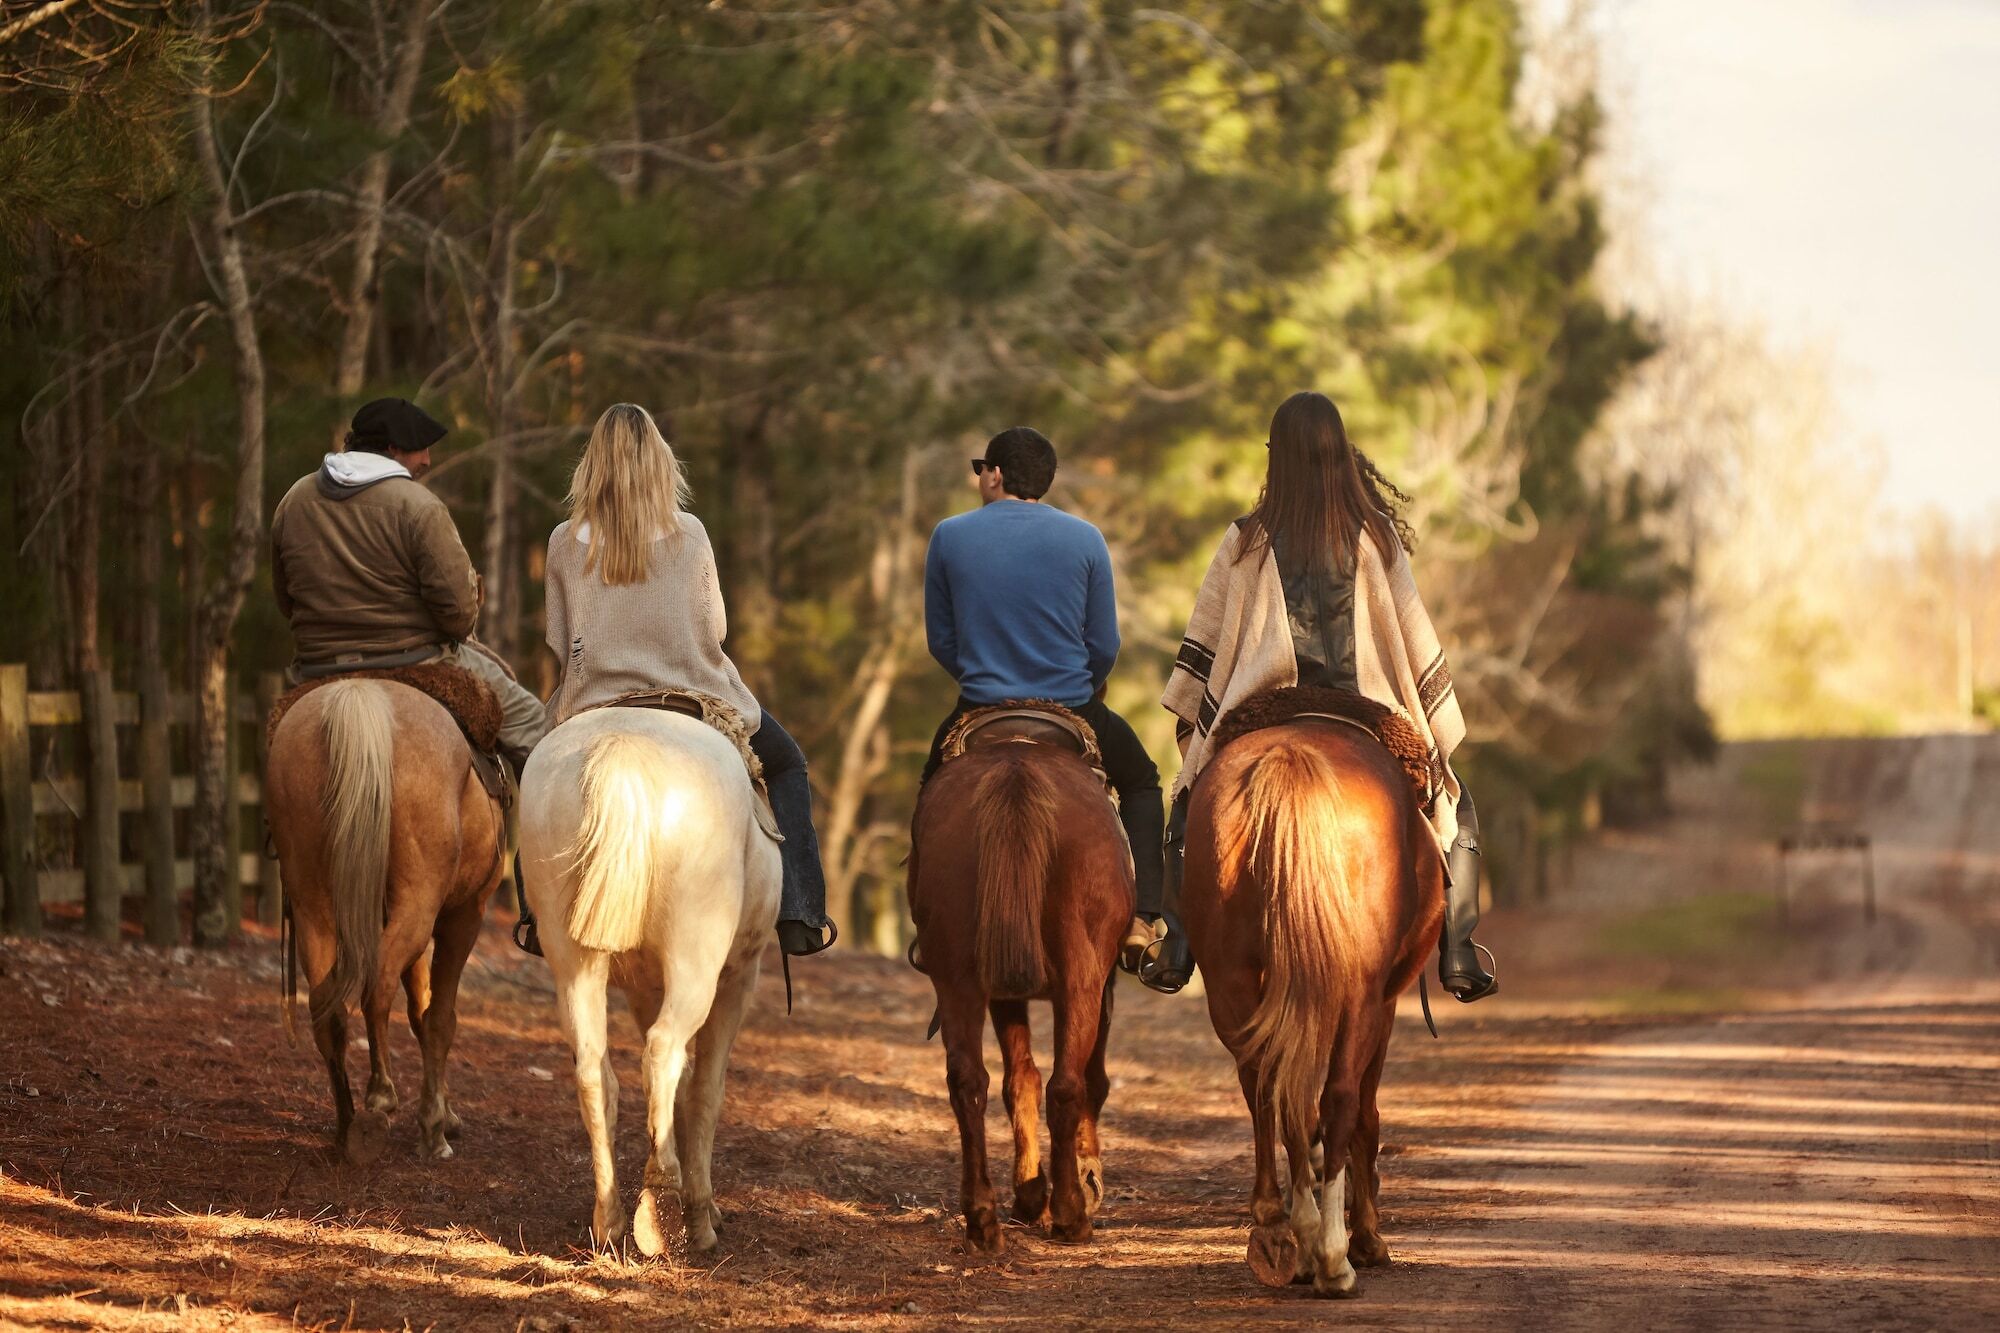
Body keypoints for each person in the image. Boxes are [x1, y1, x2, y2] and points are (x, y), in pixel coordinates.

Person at [1148, 390, 1497, 1001]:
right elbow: (1412, 643)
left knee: (1190, 802)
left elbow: (1210, 649)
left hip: (1262, 709)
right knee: (1454, 802)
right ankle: (1459, 952)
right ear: (1341, 456)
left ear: (1275, 458)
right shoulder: (1376, 538)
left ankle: (1175, 939)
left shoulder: (1244, 541)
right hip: (1367, 711)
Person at [540, 403, 835, 958]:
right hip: (695, 694)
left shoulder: (561, 540)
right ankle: (800, 911)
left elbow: (559, 637)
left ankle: (536, 915)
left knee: (536, 771)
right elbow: (715, 627)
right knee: (788, 761)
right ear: (660, 462)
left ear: (591, 465)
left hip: (591, 700)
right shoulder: (690, 533)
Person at [920, 426, 1165, 941]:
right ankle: (1145, 916)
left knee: (930, 791)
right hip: (1072, 703)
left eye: (980, 469)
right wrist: (1077, 688)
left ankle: (932, 927)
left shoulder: (949, 535)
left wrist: (982, 677)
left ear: (996, 475)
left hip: (980, 703)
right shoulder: (1086, 538)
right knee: (1142, 783)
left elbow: (942, 641)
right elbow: (1104, 645)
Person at [270, 397, 548, 778]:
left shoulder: (294, 499)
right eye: (421, 447)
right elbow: (458, 614)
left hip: (317, 666)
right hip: (412, 661)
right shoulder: (419, 505)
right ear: (393, 449)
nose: (428, 460)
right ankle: (538, 835)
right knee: (534, 724)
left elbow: (286, 600)